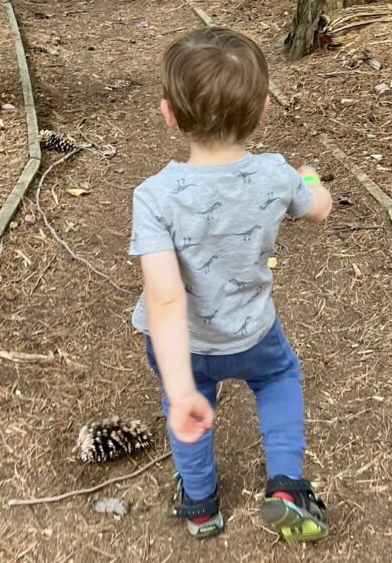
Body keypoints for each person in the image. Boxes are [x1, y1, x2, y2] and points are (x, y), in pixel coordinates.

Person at [129, 27, 333, 541]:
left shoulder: (154, 197)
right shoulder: (275, 174)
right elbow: (320, 210)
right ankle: (286, 485)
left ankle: (200, 504)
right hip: (252, 333)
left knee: (190, 409)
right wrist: (309, 181)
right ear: (263, 110)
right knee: (278, 379)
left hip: (184, 346)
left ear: (169, 114)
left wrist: (179, 391)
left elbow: (165, 295)